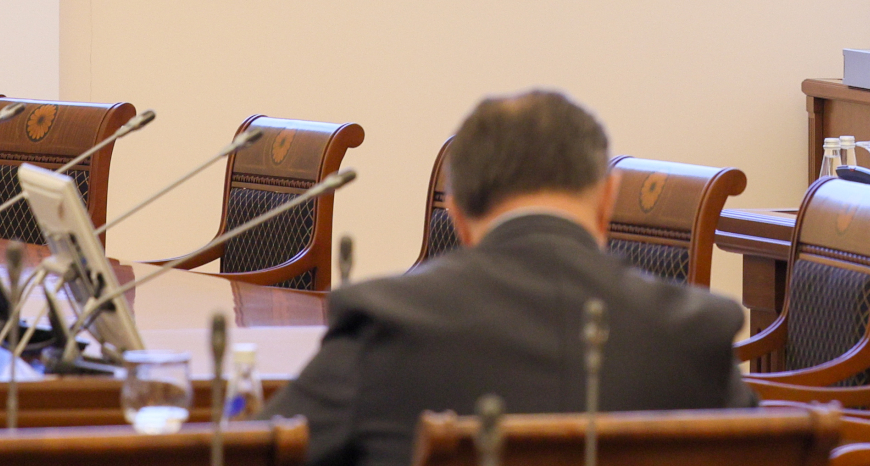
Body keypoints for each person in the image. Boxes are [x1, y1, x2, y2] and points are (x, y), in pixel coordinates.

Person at [273, 90, 753, 466]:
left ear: (457, 215)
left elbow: (255, 450)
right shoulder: (694, 331)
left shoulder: (389, 323)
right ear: (609, 198)